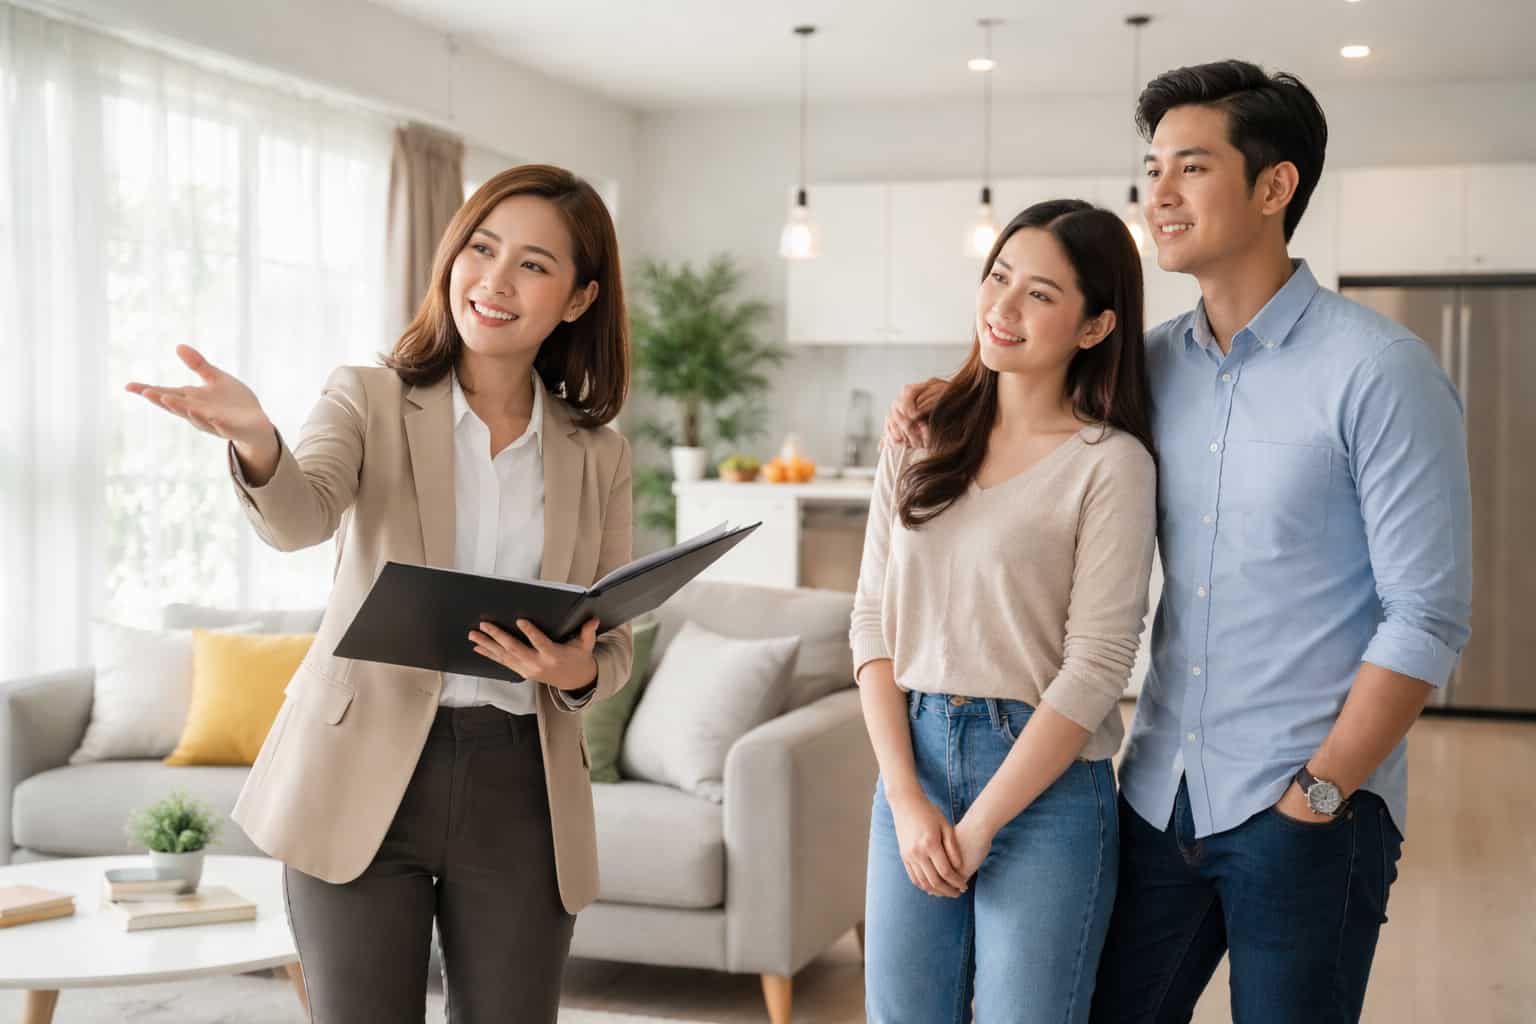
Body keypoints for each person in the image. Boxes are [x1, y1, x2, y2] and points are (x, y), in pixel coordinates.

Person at [884, 61, 1473, 1024]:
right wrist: (933, 403)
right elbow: (1018, 423)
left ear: (1275, 187)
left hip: (1307, 809)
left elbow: (1429, 616)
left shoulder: (1380, 372)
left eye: (1189, 168)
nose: (1156, 195)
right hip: (1159, 797)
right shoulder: (1146, 369)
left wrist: (1320, 795)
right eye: (1151, 168)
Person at [127, 163, 635, 1023]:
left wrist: (576, 669)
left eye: (534, 265)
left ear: (579, 300)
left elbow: (613, 642)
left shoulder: (600, 456)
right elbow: (300, 517)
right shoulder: (367, 396)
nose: (495, 280)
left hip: (521, 786)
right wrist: (257, 438)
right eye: (482, 248)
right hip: (358, 767)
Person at [852, 199, 1157, 1023]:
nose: (1004, 307)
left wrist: (982, 821)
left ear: (1094, 328)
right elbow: (871, 623)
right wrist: (908, 799)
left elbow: (1096, 666)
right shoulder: (918, 435)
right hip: (909, 766)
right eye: (998, 277)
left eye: (1041, 294)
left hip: (1045, 788)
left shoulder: (1111, 465)